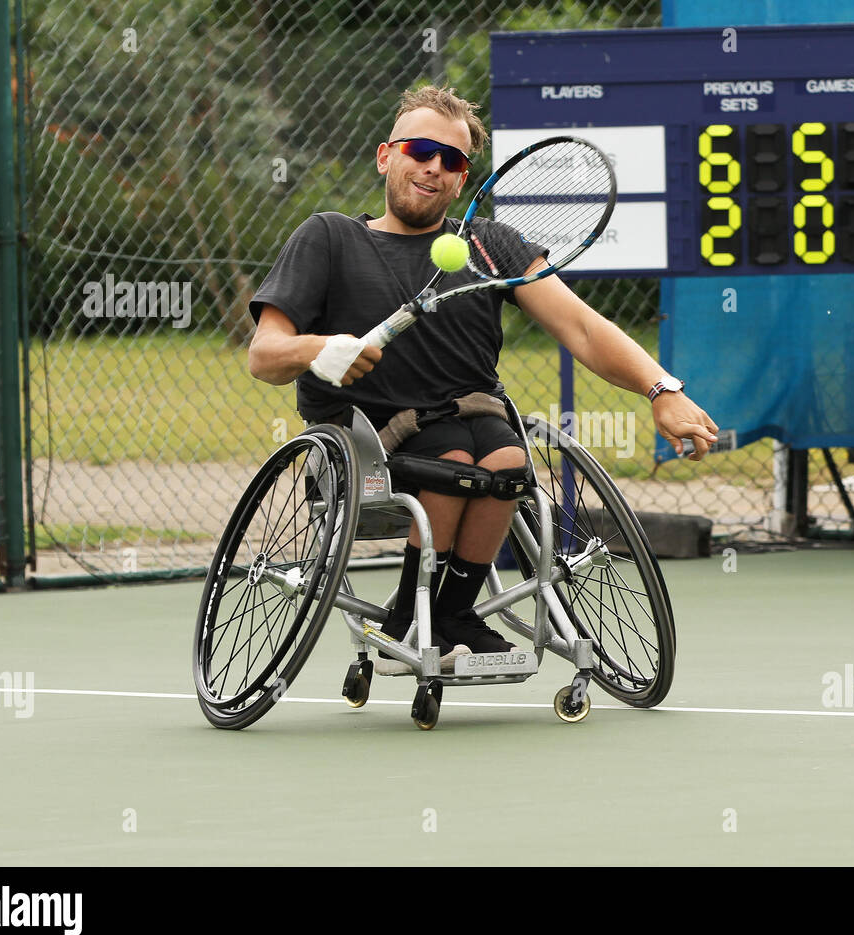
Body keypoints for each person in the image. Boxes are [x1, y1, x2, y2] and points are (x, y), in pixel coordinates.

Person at [247, 85, 717, 667]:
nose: (434, 167)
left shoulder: (491, 247)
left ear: (463, 178)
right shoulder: (329, 237)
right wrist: (319, 349)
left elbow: (583, 329)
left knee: (507, 461)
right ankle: (406, 616)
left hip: (474, 423)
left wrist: (662, 389)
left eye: (453, 160)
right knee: (454, 460)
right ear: (385, 155)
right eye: (420, 150)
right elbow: (263, 355)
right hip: (367, 443)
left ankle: (452, 612)